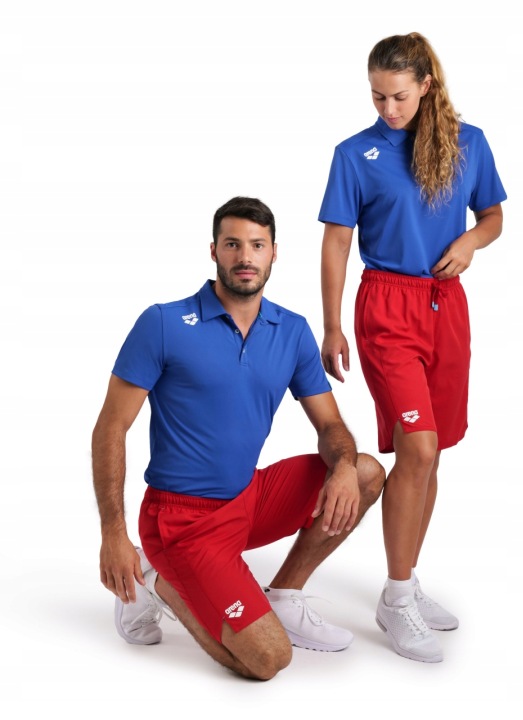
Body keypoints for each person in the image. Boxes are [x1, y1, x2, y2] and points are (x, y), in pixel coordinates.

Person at [91, 195, 385, 681]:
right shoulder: (164, 323)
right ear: (214, 251)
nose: (245, 257)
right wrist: (112, 533)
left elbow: (331, 427)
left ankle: (284, 593)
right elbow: (110, 428)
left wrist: (344, 469)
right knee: (268, 660)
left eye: (257, 245)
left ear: (274, 253)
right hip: (181, 521)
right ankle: (157, 581)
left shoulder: (291, 330)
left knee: (366, 472)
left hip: (247, 499)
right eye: (232, 244)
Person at [318, 32, 507, 663]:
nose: (387, 108)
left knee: (432, 453)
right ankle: (396, 599)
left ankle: (405, 580)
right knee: (416, 446)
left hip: (446, 306)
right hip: (387, 307)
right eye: (377, 96)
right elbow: (337, 242)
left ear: (426, 85)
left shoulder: (468, 142)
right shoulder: (355, 154)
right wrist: (333, 325)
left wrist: (471, 242)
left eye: (398, 95)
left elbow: (493, 216)